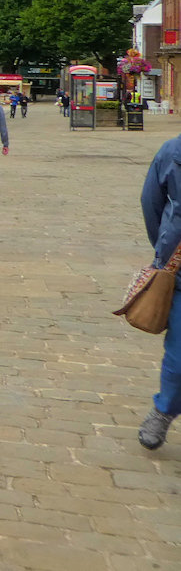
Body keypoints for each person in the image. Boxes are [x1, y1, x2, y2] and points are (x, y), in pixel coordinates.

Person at [137, 127, 181, 449]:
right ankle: (164, 410)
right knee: (179, 356)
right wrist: (164, 248)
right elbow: (150, 202)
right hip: (180, 272)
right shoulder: (173, 152)